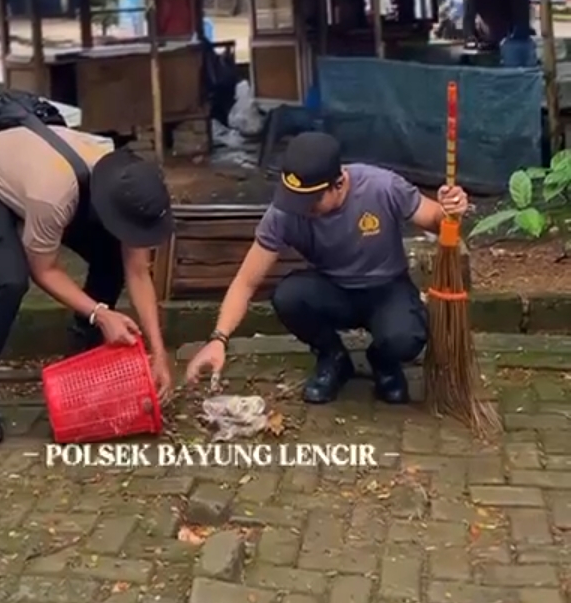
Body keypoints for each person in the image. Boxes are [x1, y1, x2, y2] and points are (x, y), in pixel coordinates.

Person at [186, 132, 468, 406]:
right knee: (289, 296)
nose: (302, 208)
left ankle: (384, 361)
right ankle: (333, 357)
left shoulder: (381, 187)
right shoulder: (285, 212)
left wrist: (449, 209)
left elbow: (434, 218)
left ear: (339, 182)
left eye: (312, 201)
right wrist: (218, 339)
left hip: (386, 288)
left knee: (405, 338)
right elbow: (246, 282)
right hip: (333, 290)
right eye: (296, 199)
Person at [0, 129, 174, 446]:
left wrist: (159, 352)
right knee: (10, 280)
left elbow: (137, 272)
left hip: (37, 179)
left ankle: (84, 357)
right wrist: (101, 313)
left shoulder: (128, 186)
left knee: (111, 259)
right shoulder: (53, 197)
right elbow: (45, 270)